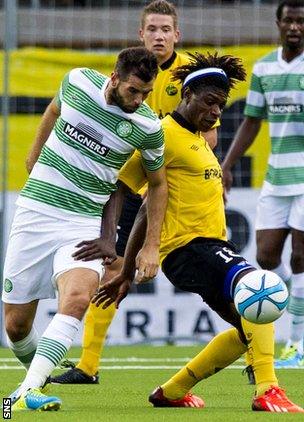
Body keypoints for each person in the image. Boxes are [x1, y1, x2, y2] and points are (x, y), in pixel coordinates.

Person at [93, 51, 304, 413]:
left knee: (247, 327)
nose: (216, 112)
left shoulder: (199, 143)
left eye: (221, 105)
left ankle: (173, 390)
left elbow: (148, 207)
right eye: (209, 102)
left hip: (205, 248)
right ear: (186, 95)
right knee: (259, 287)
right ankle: (268, 389)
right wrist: (112, 243)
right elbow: (124, 190)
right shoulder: (163, 136)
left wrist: (126, 273)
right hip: (188, 248)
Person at [51, 0, 219, 385]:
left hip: (173, 186)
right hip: (128, 186)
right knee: (110, 266)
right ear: (140, 34)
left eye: (166, 30)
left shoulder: (190, 76)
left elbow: (208, 134)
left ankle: (247, 340)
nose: (159, 36)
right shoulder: (128, 75)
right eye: (152, 29)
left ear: (177, 35)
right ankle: (88, 365)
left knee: (207, 261)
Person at [2, 46, 168, 412]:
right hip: (35, 213)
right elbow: (53, 109)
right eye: (132, 92)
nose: (138, 100)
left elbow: (157, 185)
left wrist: (150, 245)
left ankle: (19, 396)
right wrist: (34, 154)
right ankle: (37, 381)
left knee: (77, 299)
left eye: (145, 93)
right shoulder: (77, 81)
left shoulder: (148, 127)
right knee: (15, 327)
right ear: (114, 77)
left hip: (82, 223)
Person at [222, 0, 304, 368]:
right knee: (266, 257)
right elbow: (252, 120)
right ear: (278, 23)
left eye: (301, 22)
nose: (295, 28)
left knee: (301, 258)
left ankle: (298, 344)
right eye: (289, 21)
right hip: (275, 177)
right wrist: (226, 165)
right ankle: (297, 311)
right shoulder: (265, 67)